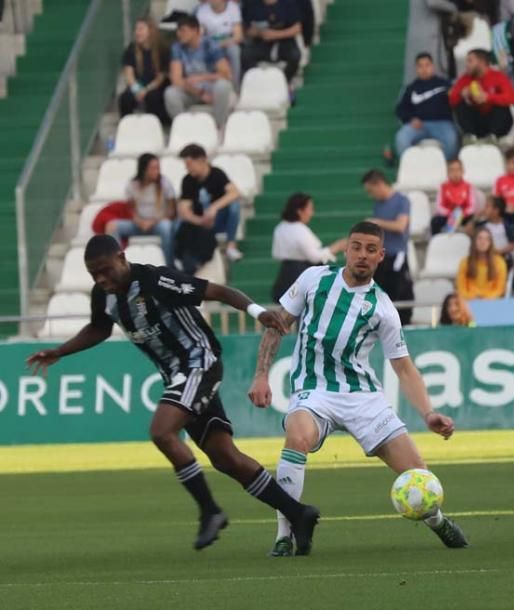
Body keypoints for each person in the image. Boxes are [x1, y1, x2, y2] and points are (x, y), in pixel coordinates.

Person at [27, 235, 320, 553]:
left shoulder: (155, 280)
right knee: (226, 458)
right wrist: (60, 351)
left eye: (105, 269)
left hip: (200, 365)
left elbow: (217, 291)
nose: (101, 278)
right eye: (93, 274)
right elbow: (99, 328)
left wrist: (257, 312)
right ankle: (298, 513)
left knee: (162, 431)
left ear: (122, 258)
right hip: (178, 378)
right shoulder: (105, 295)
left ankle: (210, 510)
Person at [248, 222, 468, 557]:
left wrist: (428, 412)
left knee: (417, 474)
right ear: (346, 249)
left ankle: (437, 520)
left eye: (370, 249)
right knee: (297, 435)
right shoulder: (314, 279)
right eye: (355, 247)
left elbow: (403, 368)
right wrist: (261, 374)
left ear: (380, 256)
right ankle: (285, 534)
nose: (361, 255)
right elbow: (277, 325)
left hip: (362, 397)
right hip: (314, 390)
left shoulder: (382, 308)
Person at [270, 192, 347, 302]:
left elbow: (275, 253)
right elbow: (314, 257)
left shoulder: (280, 228)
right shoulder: (299, 230)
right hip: (301, 273)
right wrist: (337, 246)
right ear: (300, 211)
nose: (311, 213)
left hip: (285, 273)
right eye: (309, 209)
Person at [361, 169, 415, 324]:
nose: (371, 195)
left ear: (379, 184)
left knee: (399, 291)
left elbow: (400, 226)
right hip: (381, 257)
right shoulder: (378, 205)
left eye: (371, 191)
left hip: (397, 254)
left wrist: (377, 222)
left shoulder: (402, 201)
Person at [177, 144, 242, 271]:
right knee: (178, 223)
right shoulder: (187, 180)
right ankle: (179, 259)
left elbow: (234, 193)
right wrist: (200, 220)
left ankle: (231, 246)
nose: (187, 168)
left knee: (234, 206)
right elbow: (184, 210)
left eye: (189, 164)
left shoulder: (217, 174)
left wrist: (214, 208)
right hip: (199, 223)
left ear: (201, 160)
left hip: (218, 219)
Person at [165, 16, 235, 125]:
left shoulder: (210, 45)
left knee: (222, 86)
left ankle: (218, 126)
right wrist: (200, 93)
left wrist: (202, 78)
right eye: (178, 31)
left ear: (195, 30)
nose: (179, 34)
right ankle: (184, 127)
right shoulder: (177, 48)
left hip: (212, 88)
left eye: (183, 30)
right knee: (170, 93)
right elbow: (176, 79)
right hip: (191, 90)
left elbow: (226, 74)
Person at [111, 153, 177, 266]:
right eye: (153, 168)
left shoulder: (164, 183)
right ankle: (118, 265)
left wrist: (153, 221)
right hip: (138, 224)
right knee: (112, 226)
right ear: (144, 169)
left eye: (158, 168)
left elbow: (171, 211)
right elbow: (130, 210)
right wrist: (139, 221)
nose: (157, 171)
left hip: (158, 223)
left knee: (166, 227)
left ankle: (169, 266)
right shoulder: (132, 185)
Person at [393, 53, 458, 162]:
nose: (424, 69)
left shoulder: (444, 84)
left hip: (442, 124)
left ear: (432, 66)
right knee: (401, 138)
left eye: (427, 65)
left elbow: (456, 100)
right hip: (418, 125)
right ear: (416, 69)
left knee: (452, 140)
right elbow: (400, 109)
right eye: (420, 66)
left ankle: (442, 167)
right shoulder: (410, 88)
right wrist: (410, 118)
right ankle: (412, 166)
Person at [450, 49, 514, 142]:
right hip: (478, 122)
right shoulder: (466, 78)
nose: (466, 65)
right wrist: (462, 94)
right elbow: (451, 99)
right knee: (460, 105)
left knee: (501, 107)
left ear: (481, 62)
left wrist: (488, 97)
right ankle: (470, 137)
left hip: (497, 122)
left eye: (470, 61)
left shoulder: (497, 76)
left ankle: (493, 137)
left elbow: (512, 98)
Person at [119, 18, 171, 125]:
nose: (137, 32)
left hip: (156, 86)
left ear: (150, 31)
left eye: (141, 29)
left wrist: (146, 90)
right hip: (138, 85)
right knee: (125, 98)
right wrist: (137, 89)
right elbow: (129, 74)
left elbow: (161, 77)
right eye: (136, 29)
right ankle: (127, 127)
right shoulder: (131, 49)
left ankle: (155, 127)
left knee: (153, 97)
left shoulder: (162, 49)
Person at [241, 0, 303, 83]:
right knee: (245, 55)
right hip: (261, 42)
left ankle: (284, 81)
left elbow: (297, 28)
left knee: (295, 56)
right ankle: (260, 82)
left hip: (285, 41)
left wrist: (276, 34)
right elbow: (247, 30)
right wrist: (260, 33)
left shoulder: (289, 3)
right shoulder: (252, 4)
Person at [196, 0, 243, 86]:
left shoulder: (233, 8)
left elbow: (238, 36)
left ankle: (235, 87)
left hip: (228, 40)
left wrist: (220, 44)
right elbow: (200, 35)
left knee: (234, 51)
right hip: (210, 41)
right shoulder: (202, 10)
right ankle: (207, 86)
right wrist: (212, 44)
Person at [456, 226, 508, 300]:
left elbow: (499, 289)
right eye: (480, 238)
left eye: (487, 239)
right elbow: (461, 288)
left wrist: (486, 298)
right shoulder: (465, 262)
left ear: (490, 243)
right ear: (474, 241)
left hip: (491, 302)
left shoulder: (500, 262)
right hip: (470, 301)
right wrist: (472, 297)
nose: (483, 242)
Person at [466, 196, 514, 261]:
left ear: (496, 211)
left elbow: (513, 244)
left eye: (487, 207)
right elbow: (468, 231)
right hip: (485, 257)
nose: (484, 209)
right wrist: (476, 218)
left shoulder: (506, 226)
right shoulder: (483, 225)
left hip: (501, 258)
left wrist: (499, 251)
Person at [432, 159, 479, 234]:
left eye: (458, 169)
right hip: (447, 215)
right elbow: (439, 206)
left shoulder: (468, 186)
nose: (455, 173)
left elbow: (472, 206)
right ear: (447, 173)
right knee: (435, 221)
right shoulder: (443, 187)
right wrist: (450, 214)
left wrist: (461, 214)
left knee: (475, 221)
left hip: (464, 216)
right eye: (452, 170)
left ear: (462, 171)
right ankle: (436, 243)